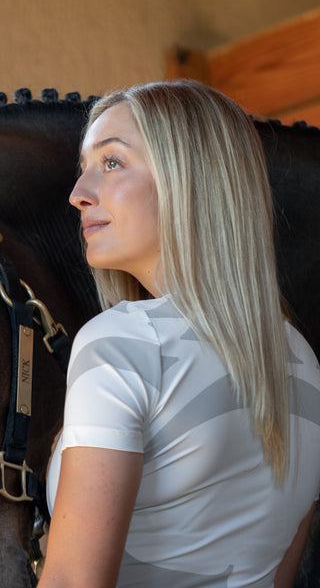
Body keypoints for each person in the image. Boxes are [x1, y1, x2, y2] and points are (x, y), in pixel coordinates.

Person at [38, 80, 320, 588]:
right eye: (84, 169)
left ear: (188, 180)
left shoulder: (122, 344)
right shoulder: (302, 359)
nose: (79, 194)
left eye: (112, 162)